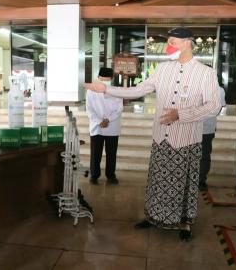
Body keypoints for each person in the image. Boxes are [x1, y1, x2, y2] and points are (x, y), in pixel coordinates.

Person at [85, 27, 221, 241]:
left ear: (187, 43)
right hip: (161, 138)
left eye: (173, 42)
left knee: (183, 183)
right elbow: (137, 90)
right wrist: (106, 90)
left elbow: (214, 106)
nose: (169, 47)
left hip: (186, 140)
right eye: (168, 42)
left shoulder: (206, 73)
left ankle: (184, 222)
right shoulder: (162, 69)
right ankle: (153, 216)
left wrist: (181, 114)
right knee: (158, 180)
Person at [86, 67, 123, 185]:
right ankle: (94, 175)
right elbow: (89, 109)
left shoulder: (117, 90)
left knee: (111, 153)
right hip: (97, 127)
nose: (104, 83)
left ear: (111, 79)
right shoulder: (91, 90)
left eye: (107, 80)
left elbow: (119, 109)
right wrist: (99, 121)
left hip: (112, 127)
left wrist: (108, 120)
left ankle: (111, 175)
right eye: (102, 80)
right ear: (98, 78)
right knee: (95, 153)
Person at [198, 85, 226, 191]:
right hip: (201, 127)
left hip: (203, 128)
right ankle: (200, 181)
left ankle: (199, 180)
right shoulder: (219, 89)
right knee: (204, 155)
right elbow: (220, 108)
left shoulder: (218, 89)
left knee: (203, 155)